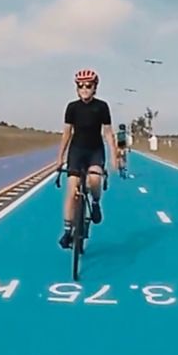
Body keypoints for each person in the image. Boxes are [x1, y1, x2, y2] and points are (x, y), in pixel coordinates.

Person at [55, 68, 121, 249]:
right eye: (81, 86)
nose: (85, 89)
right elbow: (66, 133)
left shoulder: (102, 107)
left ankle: (96, 202)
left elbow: (108, 133)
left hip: (94, 150)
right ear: (77, 88)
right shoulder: (72, 107)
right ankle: (68, 231)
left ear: (95, 88)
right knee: (71, 189)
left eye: (88, 86)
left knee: (94, 179)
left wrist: (114, 155)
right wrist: (60, 157)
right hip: (77, 150)